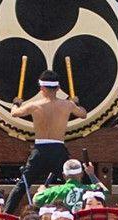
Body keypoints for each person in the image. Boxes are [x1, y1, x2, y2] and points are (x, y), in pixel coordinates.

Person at [5, 75, 78, 212]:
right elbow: (83, 114)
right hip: (58, 150)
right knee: (73, 182)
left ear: (41, 88)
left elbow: (14, 113)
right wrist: (75, 103)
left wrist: (16, 103)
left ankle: (5, 215)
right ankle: (81, 211)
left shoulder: (34, 105)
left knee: (22, 185)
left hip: (40, 150)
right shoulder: (68, 105)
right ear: (58, 88)